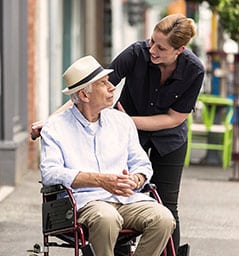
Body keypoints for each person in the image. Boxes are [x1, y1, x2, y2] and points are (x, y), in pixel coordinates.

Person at [31, 13, 205, 255]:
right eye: (152, 42)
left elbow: (174, 119)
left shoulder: (193, 70)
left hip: (167, 135)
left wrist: (136, 175)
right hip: (91, 199)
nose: (152, 49)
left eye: (160, 47)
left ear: (179, 50)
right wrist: (50, 122)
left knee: (167, 210)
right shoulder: (136, 53)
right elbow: (85, 88)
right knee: (107, 217)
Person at [40, 55, 176, 256]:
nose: (112, 87)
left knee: (163, 218)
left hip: (126, 200)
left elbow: (142, 163)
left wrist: (136, 179)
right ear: (85, 96)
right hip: (85, 203)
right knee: (106, 218)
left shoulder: (122, 121)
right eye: (103, 83)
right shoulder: (56, 127)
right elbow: (50, 173)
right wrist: (100, 181)